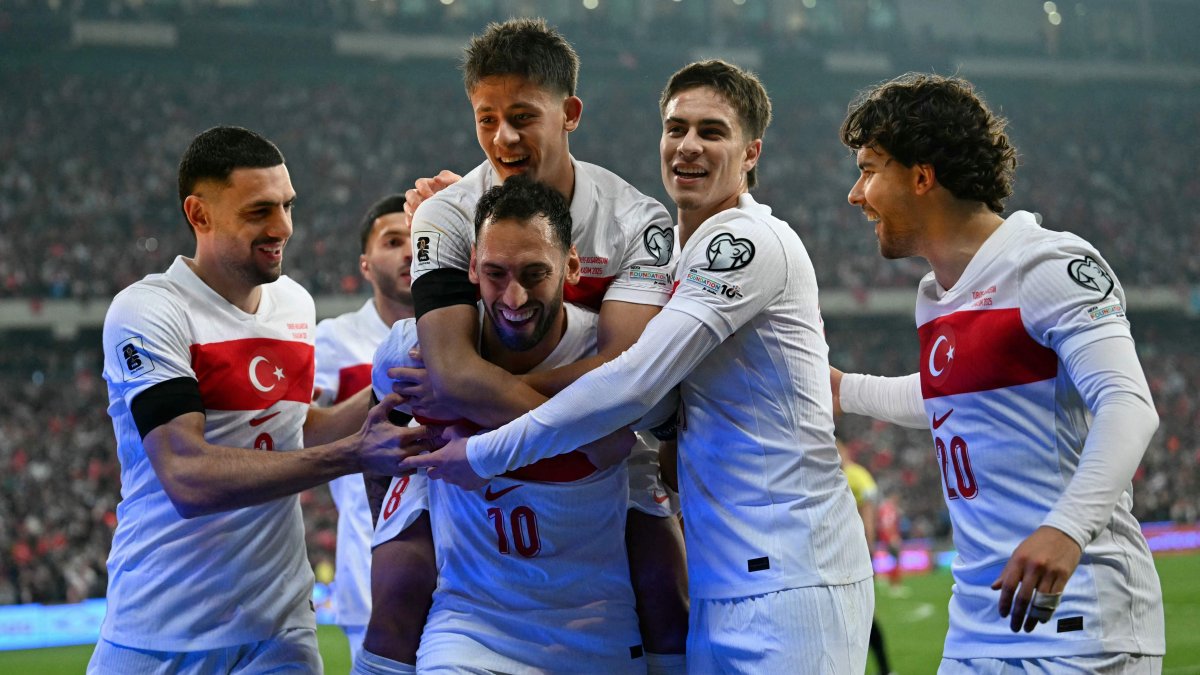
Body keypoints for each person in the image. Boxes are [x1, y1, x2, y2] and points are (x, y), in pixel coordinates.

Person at [405, 59, 874, 674]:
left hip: (791, 572)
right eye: (676, 128)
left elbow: (635, 380)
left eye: (712, 132)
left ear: (751, 153)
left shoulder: (743, 242)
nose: (688, 146)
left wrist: (482, 445)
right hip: (729, 575)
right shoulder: (680, 251)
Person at [376, 17, 689, 670]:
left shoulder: (637, 220)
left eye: (522, 117)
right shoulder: (447, 213)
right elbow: (448, 367)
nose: (504, 138)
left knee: (667, 591)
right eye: (486, 119)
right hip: (509, 426)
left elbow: (626, 374)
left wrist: (482, 392)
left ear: (569, 113)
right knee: (398, 587)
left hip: (571, 433)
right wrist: (585, 421)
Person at [832, 72, 1164, 673]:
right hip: (976, 624)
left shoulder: (1049, 264)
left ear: (922, 177)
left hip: (1078, 623)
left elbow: (1127, 404)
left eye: (869, 170)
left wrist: (1066, 529)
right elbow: (951, 395)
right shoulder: (936, 294)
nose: (856, 194)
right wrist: (843, 389)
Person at [91, 126, 416, 674]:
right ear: (199, 214)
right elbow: (187, 475)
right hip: (160, 627)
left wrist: (395, 386)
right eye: (259, 211)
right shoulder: (149, 311)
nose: (283, 227)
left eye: (287, 205)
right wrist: (353, 454)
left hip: (279, 629)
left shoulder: (295, 304)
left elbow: (295, 428)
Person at [358, 176, 648, 674]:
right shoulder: (412, 353)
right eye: (495, 273)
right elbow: (378, 441)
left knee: (667, 588)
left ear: (571, 266)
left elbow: (616, 444)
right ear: (471, 266)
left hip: (595, 630)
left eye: (535, 274)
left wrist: (466, 403)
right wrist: (393, 519)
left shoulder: (605, 355)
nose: (514, 298)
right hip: (469, 629)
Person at [311, 194, 414, 662]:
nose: (409, 251)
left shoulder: (469, 331)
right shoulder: (334, 340)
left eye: (419, 239)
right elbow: (302, 434)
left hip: (465, 570)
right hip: (370, 579)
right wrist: (391, 381)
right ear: (365, 265)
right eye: (392, 242)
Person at [838, 440, 896, 675]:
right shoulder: (825, 475)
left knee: (864, 616)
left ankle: (885, 669)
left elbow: (868, 512)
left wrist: (867, 548)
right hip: (833, 556)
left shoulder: (856, 475)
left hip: (853, 556)